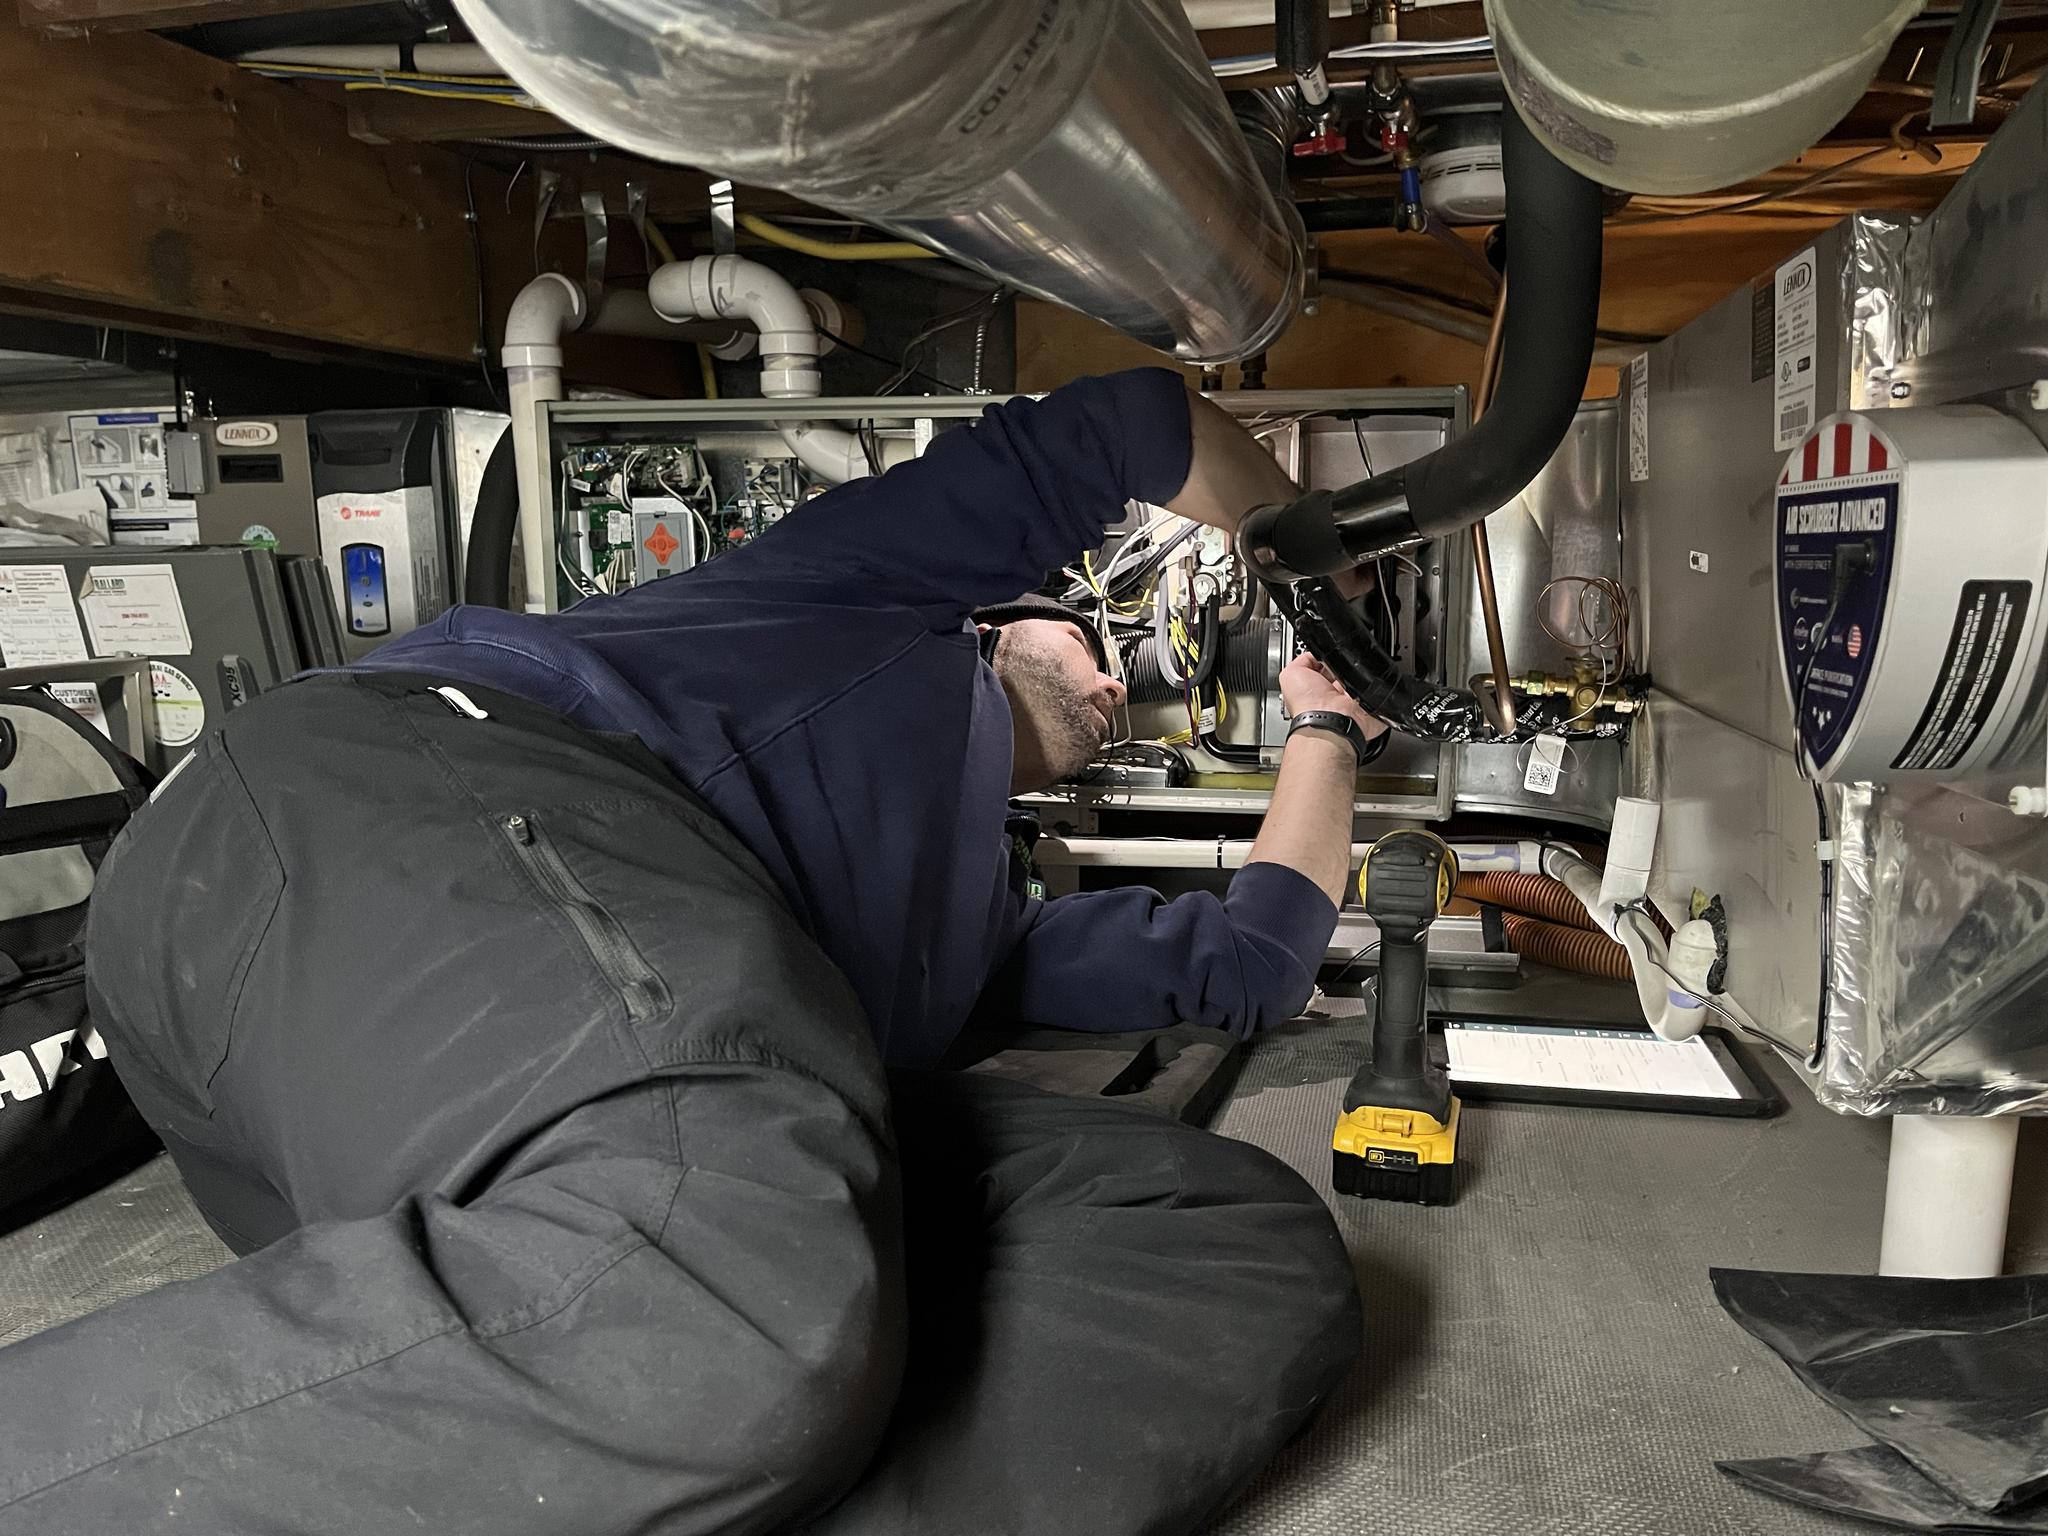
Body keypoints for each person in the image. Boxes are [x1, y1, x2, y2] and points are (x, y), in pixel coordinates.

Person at [0, 369, 1383, 1535]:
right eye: (1086, 644)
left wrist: (1326, 722)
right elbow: (1130, 425)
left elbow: (1254, 961)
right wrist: (1303, 561)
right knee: (720, 1267)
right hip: (380, 821)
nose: (1108, 679)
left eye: (1120, 689)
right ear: (1009, 620)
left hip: (464, 1136)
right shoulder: (864, 595)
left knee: (1223, 1249)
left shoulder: (979, 944)